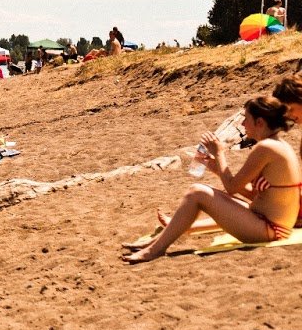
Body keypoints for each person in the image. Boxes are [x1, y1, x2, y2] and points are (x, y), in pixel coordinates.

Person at [124, 96, 301, 264]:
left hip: (270, 229)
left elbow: (232, 187)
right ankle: (158, 241)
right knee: (204, 192)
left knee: (197, 193)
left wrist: (220, 153)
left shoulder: (265, 148)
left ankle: (155, 250)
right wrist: (218, 170)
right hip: (269, 222)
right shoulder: (279, 145)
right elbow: (256, 194)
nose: (242, 124)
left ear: (259, 122)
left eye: (246, 119)